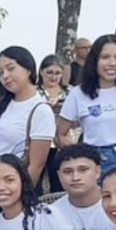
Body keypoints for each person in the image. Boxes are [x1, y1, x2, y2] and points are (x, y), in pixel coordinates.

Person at [58, 35, 116, 192]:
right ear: (94, 60)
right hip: (97, 161)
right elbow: (60, 135)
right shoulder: (78, 94)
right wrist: (84, 154)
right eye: (105, 57)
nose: (112, 63)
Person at [0, 46, 55, 187]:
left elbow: (36, 165)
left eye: (11, 68)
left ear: (28, 69)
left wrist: (22, 197)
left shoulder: (40, 110)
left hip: (14, 182)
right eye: (0, 73)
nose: (5, 76)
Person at [48, 143, 116, 230]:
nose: (75, 177)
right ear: (59, 175)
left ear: (97, 171)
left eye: (83, 170)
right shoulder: (51, 214)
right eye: (67, 171)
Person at [39, 54, 71, 192]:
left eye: (57, 73)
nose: (53, 77)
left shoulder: (70, 92)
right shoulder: (33, 93)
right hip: (39, 140)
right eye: (49, 72)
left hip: (63, 141)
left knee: (58, 180)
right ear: (41, 72)